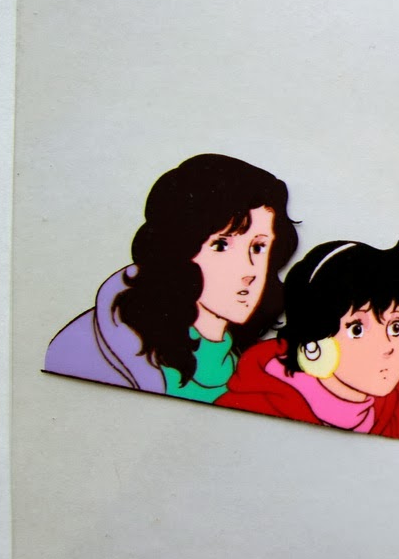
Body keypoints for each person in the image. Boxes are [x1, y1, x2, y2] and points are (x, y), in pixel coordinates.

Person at [44, 154, 299, 402]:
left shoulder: (263, 363)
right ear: (179, 248)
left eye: (258, 247)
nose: (249, 271)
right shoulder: (92, 349)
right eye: (221, 245)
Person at [216, 241, 399, 440]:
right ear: (315, 344)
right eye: (357, 329)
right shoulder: (250, 408)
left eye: (396, 327)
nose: (387, 347)